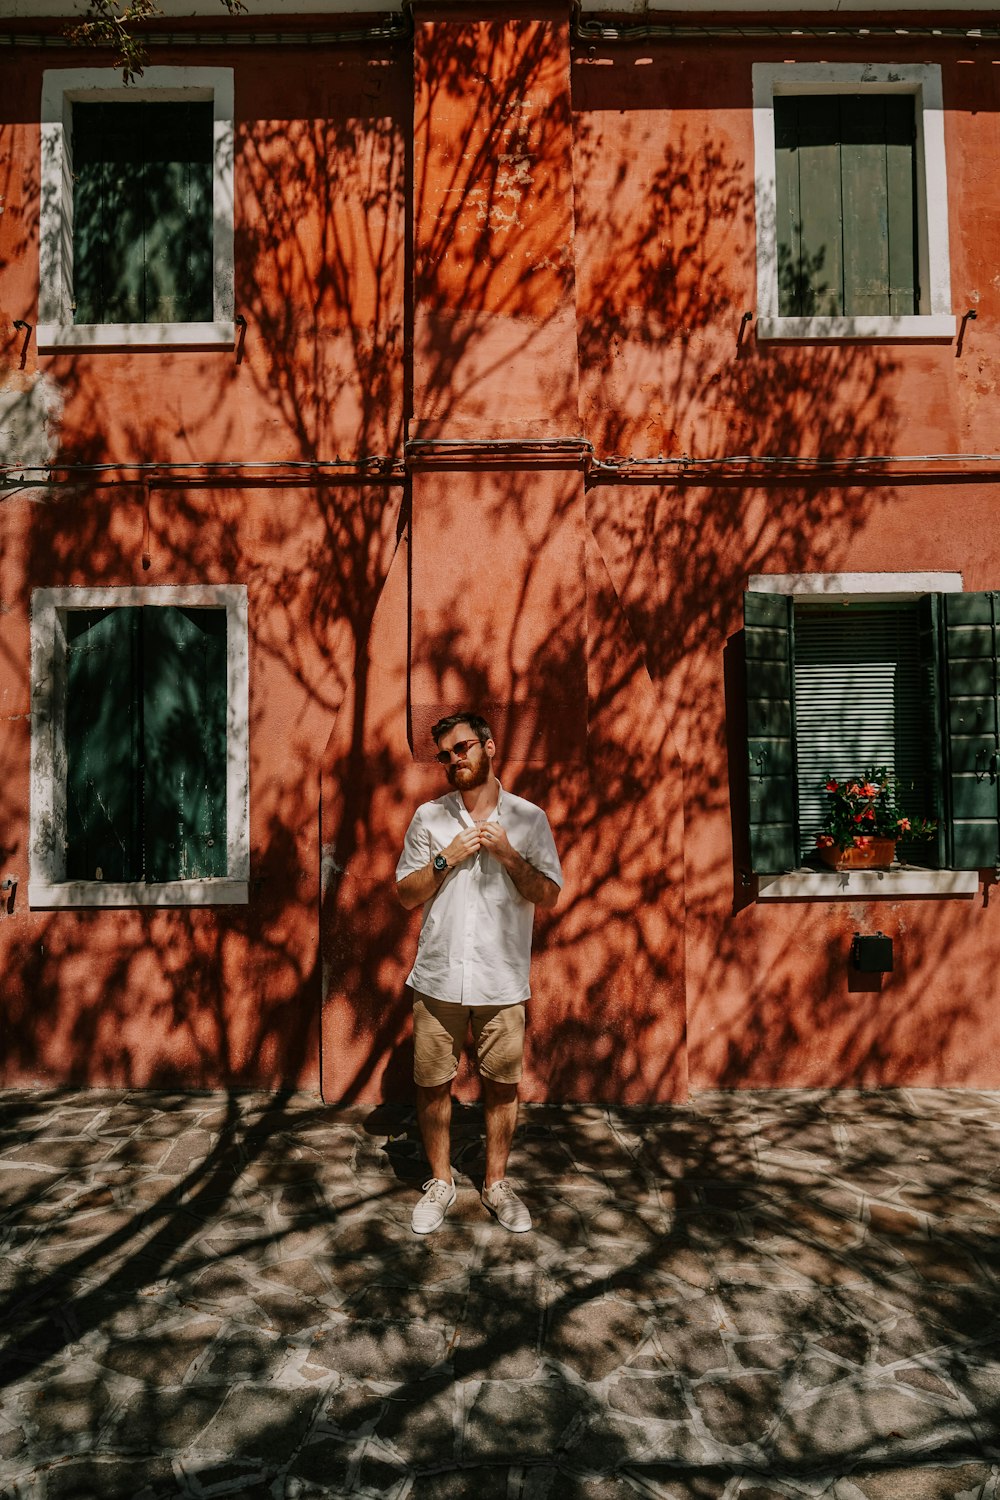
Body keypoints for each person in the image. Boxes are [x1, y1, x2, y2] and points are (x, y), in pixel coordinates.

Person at [395, 712, 562, 1235]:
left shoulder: (529, 819)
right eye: (445, 755)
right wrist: (445, 860)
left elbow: (549, 894)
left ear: (489, 745)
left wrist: (509, 856)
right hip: (439, 976)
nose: (454, 760)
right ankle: (441, 1182)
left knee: (502, 1085)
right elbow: (405, 894)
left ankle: (495, 1184)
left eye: (462, 748)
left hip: (500, 978)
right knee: (431, 1083)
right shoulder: (429, 818)